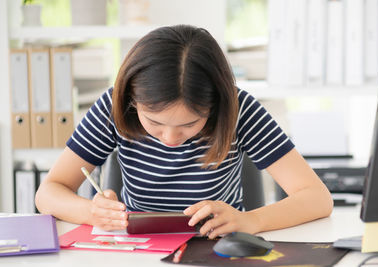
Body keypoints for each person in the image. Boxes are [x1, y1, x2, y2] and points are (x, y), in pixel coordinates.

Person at [35, 24, 333, 239]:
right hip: (136, 246)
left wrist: (250, 221)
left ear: (216, 104)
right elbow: (48, 193)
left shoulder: (239, 108)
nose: (170, 139)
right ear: (133, 101)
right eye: (154, 123)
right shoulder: (115, 104)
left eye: (189, 125)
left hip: (217, 244)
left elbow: (317, 197)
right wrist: (92, 213)